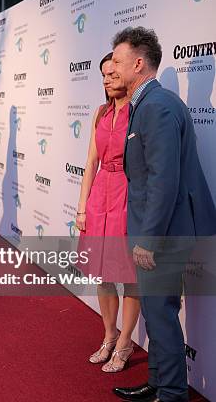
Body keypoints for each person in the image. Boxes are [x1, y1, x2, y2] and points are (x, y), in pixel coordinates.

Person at [111, 27, 216, 402]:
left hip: (164, 233)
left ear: (138, 63)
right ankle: (158, 383)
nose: (114, 68)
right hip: (158, 229)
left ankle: (171, 394)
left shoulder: (157, 106)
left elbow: (163, 181)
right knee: (157, 314)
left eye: (119, 62)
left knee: (161, 316)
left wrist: (148, 240)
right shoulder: (148, 104)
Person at [76, 52, 140, 373]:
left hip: (128, 193)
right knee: (102, 272)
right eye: (103, 75)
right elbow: (90, 163)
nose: (107, 80)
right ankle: (109, 335)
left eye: (113, 74)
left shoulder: (139, 111)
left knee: (129, 274)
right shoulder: (100, 113)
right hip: (100, 192)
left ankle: (126, 342)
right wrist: (81, 206)